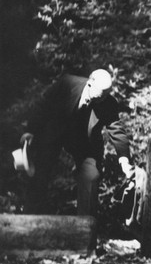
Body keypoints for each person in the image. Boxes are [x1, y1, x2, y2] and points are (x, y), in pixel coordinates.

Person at [20, 69, 134, 215]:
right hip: (56, 132)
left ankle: (86, 224)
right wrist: (30, 130)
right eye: (97, 97)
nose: (100, 101)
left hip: (84, 142)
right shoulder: (67, 83)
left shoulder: (108, 103)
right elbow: (43, 105)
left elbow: (117, 129)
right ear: (90, 83)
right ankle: (30, 217)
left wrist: (124, 159)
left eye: (104, 97)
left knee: (91, 176)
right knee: (40, 171)